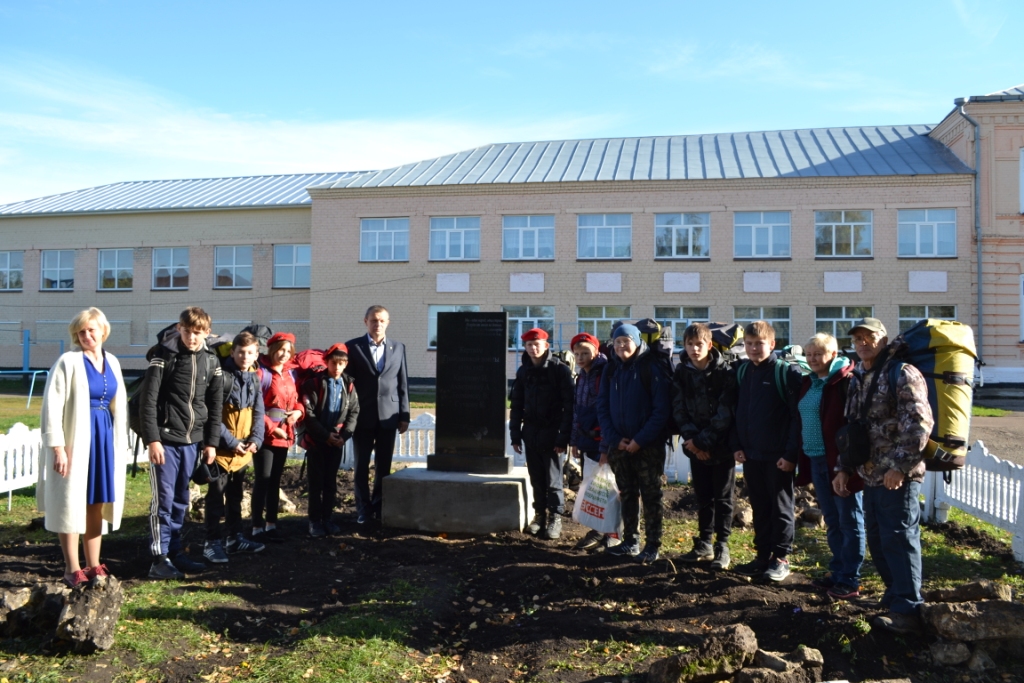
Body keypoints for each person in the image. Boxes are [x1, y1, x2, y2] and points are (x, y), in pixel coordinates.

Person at [834, 318, 933, 634]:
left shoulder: (902, 373)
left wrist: (899, 467)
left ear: (884, 339)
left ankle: (908, 608)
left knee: (899, 539)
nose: (863, 342)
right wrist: (843, 468)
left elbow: (920, 424)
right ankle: (894, 594)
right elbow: (852, 428)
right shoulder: (859, 376)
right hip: (871, 474)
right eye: (858, 338)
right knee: (878, 538)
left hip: (897, 475)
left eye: (870, 337)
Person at [38, 308, 128, 587]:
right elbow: (52, 406)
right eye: (81, 331)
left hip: (103, 438)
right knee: (70, 500)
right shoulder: (68, 361)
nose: (86, 335)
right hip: (75, 439)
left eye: (91, 330)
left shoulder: (112, 362)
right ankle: (72, 568)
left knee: (96, 502)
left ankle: (93, 564)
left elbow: (118, 405)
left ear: (103, 331)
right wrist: (58, 447)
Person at [141, 307, 223, 579]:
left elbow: (215, 404)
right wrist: (153, 439)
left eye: (197, 332)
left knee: (181, 500)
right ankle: (159, 558)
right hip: (165, 441)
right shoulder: (163, 355)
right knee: (163, 502)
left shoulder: (211, 360)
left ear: (207, 333)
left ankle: (175, 552)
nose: (191, 337)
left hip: (193, 442)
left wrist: (211, 443)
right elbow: (148, 401)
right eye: (187, 331)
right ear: (179, 328)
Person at [730, 320, 802, 582]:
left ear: (772, 344)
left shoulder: (786, 373)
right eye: (748, 344)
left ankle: (781, 558)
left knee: (781, 508)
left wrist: (791, 454)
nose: (753, 348)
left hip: (779, 457)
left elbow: (797, 417)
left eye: (759, 344)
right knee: (759, 507)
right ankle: (762, 556)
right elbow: (736, 413)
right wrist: (737, 446)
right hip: (751, 455)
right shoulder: (742, 372)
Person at [795, 333, 864, 600]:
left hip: (840, 462)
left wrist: (845, 466)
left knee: (850, 520)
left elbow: (854, 424)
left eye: (818, 354)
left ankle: (850, 579)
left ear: (833, 355)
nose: (812, 359)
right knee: (832, 520)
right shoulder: (810, 381)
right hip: (816, 459)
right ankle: (837, 572)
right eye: (809, 354)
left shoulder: (845, 381)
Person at [595, 323, 672, 564]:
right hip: (619, 446)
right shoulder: (611, 369)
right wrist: (614, 439)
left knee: (651, 495)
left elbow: (661, 410)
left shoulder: (652, 367)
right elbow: (602, 407)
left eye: (626, 341)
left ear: (637, 341)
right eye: (617, 342)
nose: (621, 346)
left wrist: (640, 440)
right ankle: (630, 541)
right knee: (627, 494)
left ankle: (653, 544)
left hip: (648, 447)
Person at [672, 322, 737, 571]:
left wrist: (704, 441)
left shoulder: (724, 371)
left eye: (699, 344)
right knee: (703, 497)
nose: (694, 349)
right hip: (694, 446)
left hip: (720, 446)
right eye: (689, 344)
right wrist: (693, 442)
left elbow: (725, 412)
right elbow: (678, 408)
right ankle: (705, 543)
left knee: (723, 497)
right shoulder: (682, 372)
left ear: (709, 345)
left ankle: (723, 545)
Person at [203, 331, 266, 564]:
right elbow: (211, 414)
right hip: (220, 450)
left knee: (235, 495)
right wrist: (231, 442)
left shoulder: (254, 378)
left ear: (256, 354)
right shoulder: (221, 377)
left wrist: (256, 439)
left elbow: (259, 412)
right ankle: (211, 543)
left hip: (242, 452)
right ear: (232, 352)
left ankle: (235, 538)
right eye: (241, 352)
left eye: (250, 353)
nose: (245, 356)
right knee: (215, 498)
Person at [345, 305, 410, 525]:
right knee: (361, 465)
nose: (378, 324)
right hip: (362, 416)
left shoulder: (398, 347)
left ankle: (380, 505)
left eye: (382, 320)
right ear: (366, 321)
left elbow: (403, 383)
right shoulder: (353, 347)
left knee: (384, 465)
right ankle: (363, 509)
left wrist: (404, 415)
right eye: (374, 320)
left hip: (389, 417)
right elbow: (348, 385)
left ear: (388, 323)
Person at [509, 328, 574, 540]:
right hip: (531, 433)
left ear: (546, 346)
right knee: (536, 478)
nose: (533, 348)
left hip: (553, 434)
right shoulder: (523, 371)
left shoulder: (559, 370)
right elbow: (516, 405)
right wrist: (515, 435)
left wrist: (563, 437)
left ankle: (555, 517)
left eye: (537, 344)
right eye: (529, 345)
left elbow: (569, 407)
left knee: (554, 480)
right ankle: (540, 516)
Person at [300, 343, 360, 538]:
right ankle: (314, 521)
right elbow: (309, 415)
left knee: (330, 483)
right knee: (316, 483)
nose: (337, 367)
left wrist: (344, 436)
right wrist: (325, 436)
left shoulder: (349, 385)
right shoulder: (314, 384)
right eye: (334, 363)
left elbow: (354, 412)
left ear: (346, 364)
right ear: (326, 362)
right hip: (317, 441)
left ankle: (328, 518)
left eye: (341, 363)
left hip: (337, 441)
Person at [568, 332, 618, 551]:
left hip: (602, 442)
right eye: (577, 353)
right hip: (586, 441)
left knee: (609, 489)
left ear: (596, 351)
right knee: (593, 488)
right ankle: (598, 529)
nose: (580, 357)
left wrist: (605, 447)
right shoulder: (581, 376)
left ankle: (613, 534)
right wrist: (574, 441)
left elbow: (607, 413)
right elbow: (577, 411)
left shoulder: (604, 374)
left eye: (585, 353)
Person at [251, 331, 303, 542]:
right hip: (265, 434)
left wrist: (298, 412)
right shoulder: (261, 373)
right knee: (262, 480)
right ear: (272, 349)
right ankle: (256, 526)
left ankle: (271, 524)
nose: (284, 354)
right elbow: (254, 406)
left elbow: (297, 399)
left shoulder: (291, 374)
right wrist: (272, 428)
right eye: (281, 350)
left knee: (274, 481)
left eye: (288, 351)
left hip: (285, 434)